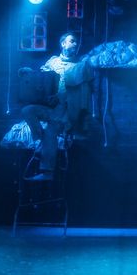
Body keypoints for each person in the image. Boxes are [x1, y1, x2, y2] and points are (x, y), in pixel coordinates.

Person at [20, 32, 93, 181]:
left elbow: (86, 85)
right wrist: (28, 73)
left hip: (66, 111)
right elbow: (40, 79)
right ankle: (39, 139)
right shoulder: (53, 62)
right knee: (27, 110)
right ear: (63, 44)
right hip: (50, 107)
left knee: (51, 130)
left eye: (76, 42)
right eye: (72, 41)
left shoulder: (81, 65)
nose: (75, 44)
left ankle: (47, 172)